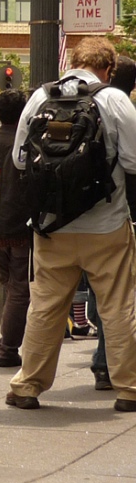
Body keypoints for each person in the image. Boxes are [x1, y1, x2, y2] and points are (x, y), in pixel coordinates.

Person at [7, 38, 136, 411]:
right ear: (108, 68)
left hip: (52, 226)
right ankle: (128, 389)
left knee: (46, 307)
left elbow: (19, 159)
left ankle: (28, 386)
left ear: (73, 62)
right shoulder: (113, 100)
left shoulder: (39, 98)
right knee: (117, 307)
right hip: (106, 226)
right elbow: (132, 161)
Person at [90, 54, 136, 391]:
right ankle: (109, 365)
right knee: (119, 297)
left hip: (74, 216)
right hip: (119, 216)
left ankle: (29, 383)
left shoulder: (75, 101)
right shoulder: (122, 108)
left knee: (51, 303)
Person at [0, 89, 30, 369]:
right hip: (20, 227)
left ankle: (8, 341)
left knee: (9, 285)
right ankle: (8, 348)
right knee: (19, 289)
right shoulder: (27, 144)